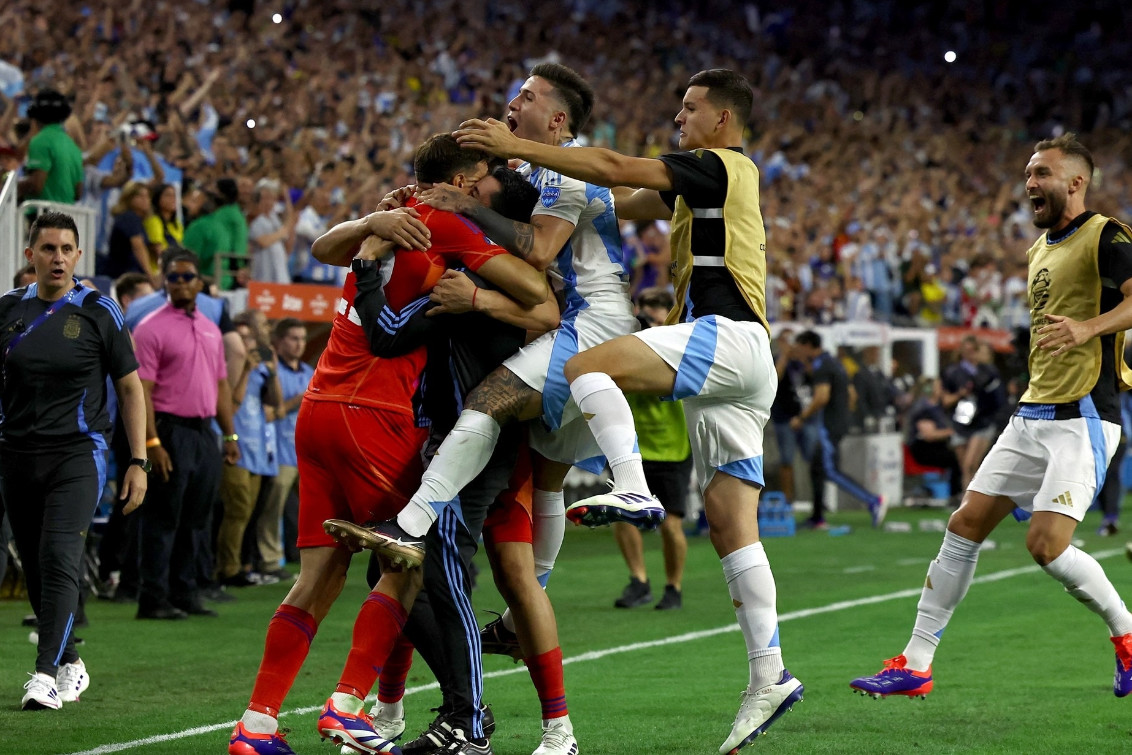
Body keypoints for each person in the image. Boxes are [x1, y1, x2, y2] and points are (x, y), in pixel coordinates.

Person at [455, 67, 804, 754]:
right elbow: (613, 197)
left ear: (724, 120)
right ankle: (769, 673)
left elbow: (614, 164)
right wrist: (534, 182)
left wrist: (518, 146)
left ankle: (633, 486)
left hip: (728, 338)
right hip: (741, 367)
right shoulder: (696, 193)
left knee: (586, 364)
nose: (679, 116)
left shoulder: (721, 164)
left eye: (690, 106)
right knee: (732, 524)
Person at [227, 137, 548, 755]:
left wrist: (372, 221)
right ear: (460, 177)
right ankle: (348, 705)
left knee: (315, 576)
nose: (490, 183)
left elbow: (323, 248)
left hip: (318, 408)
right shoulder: (444, 224)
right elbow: (534, 293)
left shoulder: (389, 215)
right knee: (410, 560)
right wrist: (486, 282)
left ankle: (257, 725)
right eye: (485, 173)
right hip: (372, 414)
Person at [850, 133, 1132, 702]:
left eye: (1042, 173)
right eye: (1028, 174)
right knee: (964, 525)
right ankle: (917, 664)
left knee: (1045, 547)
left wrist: (1090, 328)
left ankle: (1127, 637)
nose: (1030, 183)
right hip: (1031, 413)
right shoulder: (1038, 251)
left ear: (1076, 182)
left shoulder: (1107, 236)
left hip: (1083, 415)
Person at [369, 64, 636, 596]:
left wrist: (465, 204)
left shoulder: (565, 170)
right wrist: (423, 193)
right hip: (577, 316)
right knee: (551, 475)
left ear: (557, 119)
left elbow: (538, 250)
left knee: (488, 399)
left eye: (528, 96)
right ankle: (524, 610)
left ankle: (410, 524)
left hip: (591, 316)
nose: (513, 102)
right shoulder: (534, 169)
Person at [1, 211, 147, 709]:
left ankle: (43, 676)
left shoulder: (99, 310)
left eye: (66, 249)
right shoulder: (6, 312)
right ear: (30, 257)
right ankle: (70, 664)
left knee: (59, 556)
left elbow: (130, 387)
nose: (58, 257)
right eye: (48, 249)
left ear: (79, 256)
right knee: (39, 572)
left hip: (79, 456)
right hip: (16, 456)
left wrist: (138, 461)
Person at [133, 250, 241, 620]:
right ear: (164, 280)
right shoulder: (150, 327)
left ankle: (186, 592)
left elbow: (222, 385)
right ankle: (153, 598)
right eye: (173, 277)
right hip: (169, 429)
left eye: (187, 276)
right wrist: (152, 443)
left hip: (204, 432)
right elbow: (141, 391)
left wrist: (229, 436)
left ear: (199, 282)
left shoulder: (211, 329)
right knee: (163, 518)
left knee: (197, 518)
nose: (180, 283)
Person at [611, 287, 691, 610]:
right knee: (623, 516)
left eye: (657, 310)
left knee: (671, 525)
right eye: (645, 310)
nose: (649, 318)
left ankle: (674, 586)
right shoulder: (627, 345)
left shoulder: (679, 343)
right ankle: (639, 580)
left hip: (672, 446)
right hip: (632, 444)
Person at [791, 330, 885, 528]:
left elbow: (821, 397)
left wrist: (802, 417)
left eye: (800, 347)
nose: (798, 351)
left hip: (828, 424)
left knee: (829, 470)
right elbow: (852, 394)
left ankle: (872, 501)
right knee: (817, 468)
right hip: (838, 421)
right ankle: (817, 516)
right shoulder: (833, 363)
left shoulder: (823, 367)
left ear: (808, 346)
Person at [255, 318, 313, 579]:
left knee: (306, 511)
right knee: (272, 509)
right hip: (278, 451)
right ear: (278, 342)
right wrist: (294, 403)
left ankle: (304, 557)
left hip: (305, 454)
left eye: (302, 338)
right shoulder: (269, 372)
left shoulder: (309, 372)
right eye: (293, 338)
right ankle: (268, 560)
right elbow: (266, 412)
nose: (299, 344)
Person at [17, 89, 83, 204]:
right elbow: (78, 192)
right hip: (69, 218)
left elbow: (36, 185)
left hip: (43, 217)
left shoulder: (40, 141)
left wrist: (11, 186)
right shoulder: (73, 146)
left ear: (35, 117)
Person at [905, 377, 962, 501]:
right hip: (922, 449)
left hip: (935, 446)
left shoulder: (937, 407)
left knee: (960, 454)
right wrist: (950, 432)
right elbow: (929, 435)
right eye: (939, 386)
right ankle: (955, 495)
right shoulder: (923, 408)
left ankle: (958, 493)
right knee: (955, 459)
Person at [105, 181, 154, 279]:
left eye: (147, 196)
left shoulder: (137, 220)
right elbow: (138, 246)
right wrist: (150, 276)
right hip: (125, 276)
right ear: (129, 198)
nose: (145, 200)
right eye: (140, 196)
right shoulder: (128, 217)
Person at [143, 183, 184, 261]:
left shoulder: (177, 224)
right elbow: (159, 251)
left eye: (174, 196)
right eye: (168, 195)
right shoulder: (153, 221)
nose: (173, 199)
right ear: (158, 199)